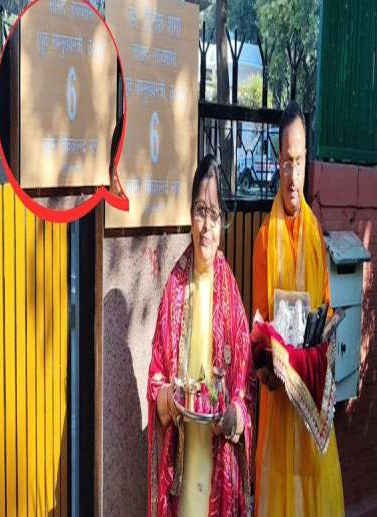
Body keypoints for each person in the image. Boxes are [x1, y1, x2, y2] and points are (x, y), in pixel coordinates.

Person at [251, 101, 344, 516]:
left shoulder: (316, 237)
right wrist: (270, 367)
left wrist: (318, 355)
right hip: (278, 409)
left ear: (308, 160)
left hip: (311, 410)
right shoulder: (263, 240)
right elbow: (258, 329)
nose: (293, 175)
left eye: (300, 161)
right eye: (287, 163)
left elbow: (325, 315)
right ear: (277, 164)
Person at [147, 154, 252, 516]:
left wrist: (235, 417)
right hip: (182, 458)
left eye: (214, 215)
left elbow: (244, 391)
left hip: (217, 460)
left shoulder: (232, 298)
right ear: (190, 215)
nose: (206, 226)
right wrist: (168, 399)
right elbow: (156, 376)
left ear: (223, 222)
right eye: (200, 211)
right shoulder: (174, 288)